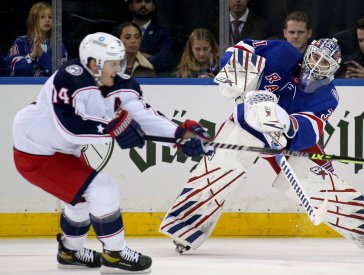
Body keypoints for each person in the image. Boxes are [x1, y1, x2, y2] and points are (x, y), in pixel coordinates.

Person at [160, 37, 364, 255]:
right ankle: (184, 227)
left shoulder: (328, 95)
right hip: (247, 123)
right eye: (315, 57)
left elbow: (312, 129)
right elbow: (243, 48)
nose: (317, 65)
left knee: (319, 184)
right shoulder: (282, 52)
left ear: (334, 69)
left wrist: (286, 124)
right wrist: (236, 68)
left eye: (325, 63)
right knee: (220, 170)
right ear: (308, 52)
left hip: (286, 141)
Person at [12, 32, 214, 273]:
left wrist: (180, 135)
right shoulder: (69, 77)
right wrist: (114, 130)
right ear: (93, 63)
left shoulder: (119, 83)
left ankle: (70, 252)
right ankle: (115, 255)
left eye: (120, 62)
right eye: (113, 63)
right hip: (35, 149)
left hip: (61, 150)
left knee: (81, 198)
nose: (119, 68)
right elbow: (70, 129)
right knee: (102, 187)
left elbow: (143, 117)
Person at [7, 2, 67, 77]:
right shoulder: (21, 42)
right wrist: (32, 55)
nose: (47, 20)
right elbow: (16, 70)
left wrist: (41, 53)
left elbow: (59, 73)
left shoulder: (57, 44)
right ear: (33, 19)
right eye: (42, 17)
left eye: (50, 17)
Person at [128, 0, 178, 74]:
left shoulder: (165, 33)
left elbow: (163, 62)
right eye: (138, 1)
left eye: (147, 1)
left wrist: (133, 55)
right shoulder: (118, 31)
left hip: (152, 81)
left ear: (154, 7)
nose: (143, 5)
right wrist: (148, 56)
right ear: (131, 6)